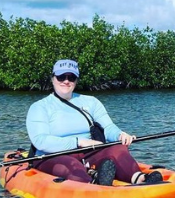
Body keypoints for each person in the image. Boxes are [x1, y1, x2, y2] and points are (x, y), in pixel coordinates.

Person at [26, 59, 162, 186]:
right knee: (71, 165)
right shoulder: (39, 107)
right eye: (61, 77)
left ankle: (139, 178)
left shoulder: (91, 102)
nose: (66, 81)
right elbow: (41, 141)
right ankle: (93, 182)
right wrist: (79, 142)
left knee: (117, 148)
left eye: (71, 77)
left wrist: (120, 135)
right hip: (52, 155)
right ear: (53, 79)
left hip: (87, 152)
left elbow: (108, 127)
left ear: (76, 80)